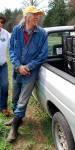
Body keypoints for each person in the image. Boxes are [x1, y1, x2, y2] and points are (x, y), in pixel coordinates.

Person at [6, 6, 48, 142]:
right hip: (17, 71)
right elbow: (11, 49)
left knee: (23, 100)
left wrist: (28, 67)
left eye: (38, 15)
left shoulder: (42, 33)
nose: (38, 17)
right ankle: (16, 119)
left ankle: (14, 128)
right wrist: (18, 66)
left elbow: (43, 55)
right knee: (15, 98)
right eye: (35, 15)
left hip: (30, 73)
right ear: (26, 16)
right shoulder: (16, 30)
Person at [0, 16, 11, 117]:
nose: (0, 24)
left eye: (2, 22)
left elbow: (13, 44)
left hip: (3, 65)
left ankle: (3, 107)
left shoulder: (6, 34)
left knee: (4, 86)